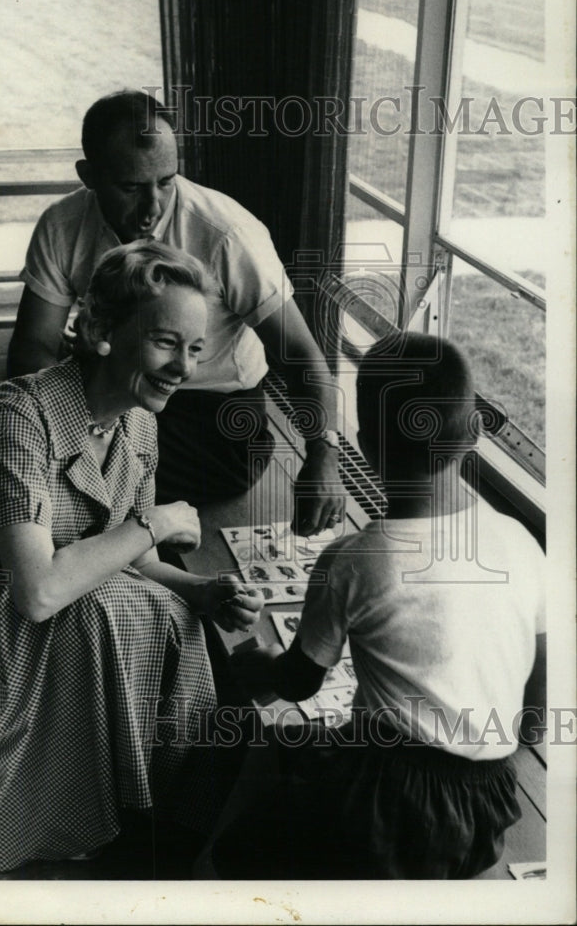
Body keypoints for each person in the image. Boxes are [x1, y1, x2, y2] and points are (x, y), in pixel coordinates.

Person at [0, 241, 264, 879]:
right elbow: (39, 591)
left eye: (196, 348)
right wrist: (155, 522)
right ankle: (156, 806)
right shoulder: (19, 419)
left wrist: (196, 588)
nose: (183, 366)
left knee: (172, 612)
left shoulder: (137, 422)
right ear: (99, 332)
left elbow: (115, 553)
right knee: (114, 611)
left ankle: (181, 794)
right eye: (164, 342)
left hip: (32, 609)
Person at [211, 332, 546, 880]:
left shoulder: (354, 558)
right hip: (489, 807)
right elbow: (539, 702)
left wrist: (259, 662)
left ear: (365, 447)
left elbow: (297, 685)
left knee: (241, 850)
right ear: (476, 433)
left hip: (384, 802)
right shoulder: (520, 542)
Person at [7, 89, 343, 535]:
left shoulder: (227, 233)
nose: (152, 207)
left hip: (210, 413)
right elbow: (34, 346)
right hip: (105, 389)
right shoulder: (61, 224)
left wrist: (324, 454)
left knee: (75, 480)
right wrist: (44, 429)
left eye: (166, 181)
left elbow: (299, 352)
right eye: (131, 188)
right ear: (89, 175)